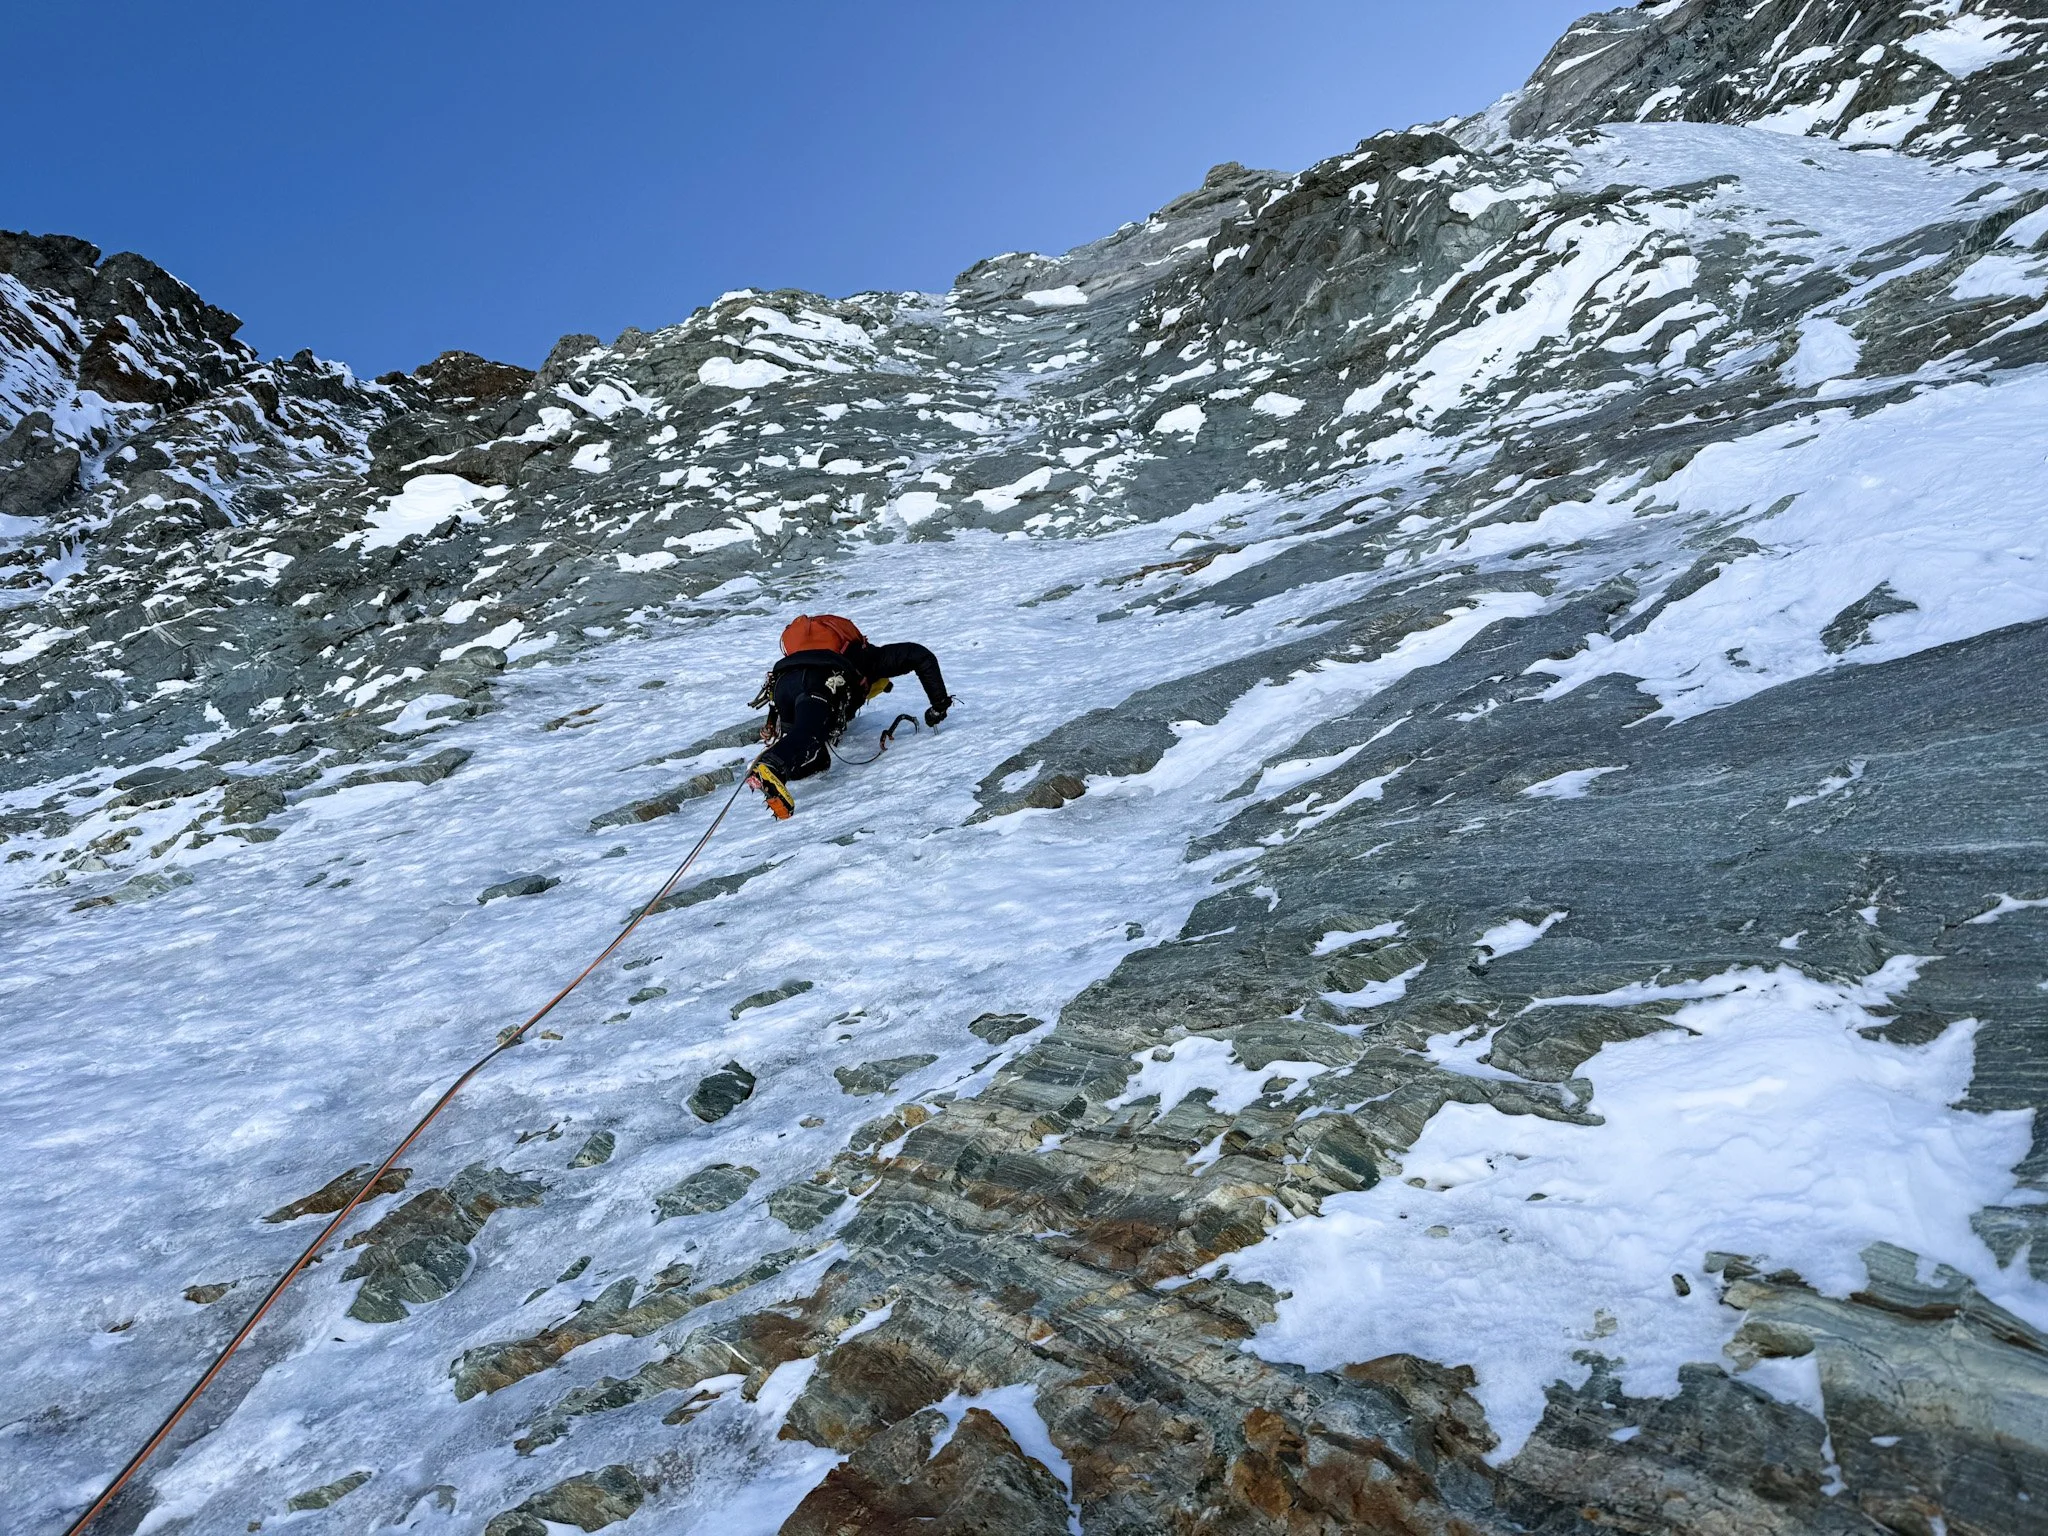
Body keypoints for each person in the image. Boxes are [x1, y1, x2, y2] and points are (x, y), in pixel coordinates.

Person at [744, 614, 951, 818]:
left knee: (816, 758)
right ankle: (771, 763)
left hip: (783, 687)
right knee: (809, 733)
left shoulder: (826, 652)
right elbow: (919, 655)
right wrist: (939, 705)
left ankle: (772, 773)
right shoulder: (871, 659)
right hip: (820, 682)